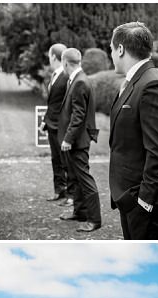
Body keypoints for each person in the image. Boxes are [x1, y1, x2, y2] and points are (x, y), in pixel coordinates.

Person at [109, 21, 158, 240]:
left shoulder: (152, 85)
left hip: (145, 202)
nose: (111, 54)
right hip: (128, 196)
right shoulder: (134, 81)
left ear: (120, 49)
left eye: (111, 49)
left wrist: (144, 202)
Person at [57, 48, 101, 233]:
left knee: (85, 179)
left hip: (79, 140)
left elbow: (78, 115)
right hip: (78, 139)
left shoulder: (80, 82)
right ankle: (80, 212)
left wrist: (68, 139)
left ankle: (94, 219)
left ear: (65, 62)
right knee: (75, 177)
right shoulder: (77, 79)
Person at [40, 43, 71, 204]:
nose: (49, 60)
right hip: (51, 124)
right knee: (55, 159)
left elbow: (66, 104)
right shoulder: (55, 75)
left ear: (53, 57)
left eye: (49, 57)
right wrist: (45, 121)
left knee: (65, 160)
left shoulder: (66, 76)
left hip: (62, 126)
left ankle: (71, 195)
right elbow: (52, 103)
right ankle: (59, 190)